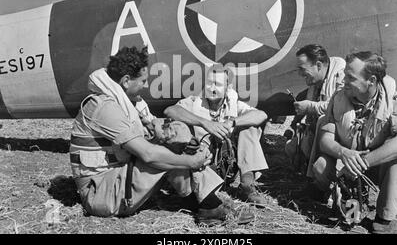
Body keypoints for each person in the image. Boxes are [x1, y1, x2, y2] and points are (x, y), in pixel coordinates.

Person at [69, 46, 254, 225]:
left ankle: (201, 202)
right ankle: (208, 205)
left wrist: (183, 142)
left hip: (116, 178)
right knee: (166, 150)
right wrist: (192, 161)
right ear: (126, 81)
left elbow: (160, 131)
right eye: (142, 80)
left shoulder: (124, 101)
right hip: (100, 193)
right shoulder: (105, 107)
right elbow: (148, 154)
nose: (146, 84)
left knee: (176, 134)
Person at [312, 51, 397, 233]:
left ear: (371, 81)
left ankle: (384, 219)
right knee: (321, 165)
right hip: (347, 164)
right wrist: (345, 154)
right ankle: (345, 202)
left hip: (377, 165)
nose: (343, 81)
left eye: (350, 77)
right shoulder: (339, 98)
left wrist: (362, 163)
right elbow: (325, 140)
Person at [164, 65, 270, 205]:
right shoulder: (195, 102)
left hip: (227, 164)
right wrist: (204, 122)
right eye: (209, 83)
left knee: (249, 128)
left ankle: (247, 185)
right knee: (180, 127)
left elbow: (261, 115)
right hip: (203, 166)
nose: (212, 88)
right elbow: (170, 111)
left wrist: (233, 122)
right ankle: (196, 191)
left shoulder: (234, 103)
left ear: (228, 87)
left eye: (218, 84)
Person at [284, 44, 345, 177]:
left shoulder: (341, 75)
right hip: (318, 132)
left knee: (320, 167)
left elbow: (336, 106)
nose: (300, 74)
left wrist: (310, 107)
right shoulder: (316, 80)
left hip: (338, 134)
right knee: (291, 148)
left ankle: (316, 181)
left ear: (318, 65)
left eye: (302, 69)